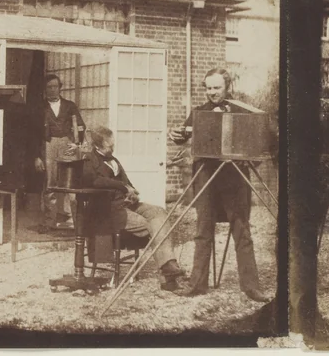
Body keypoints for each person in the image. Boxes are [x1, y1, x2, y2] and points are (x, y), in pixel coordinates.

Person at [168, 68, 270, 302]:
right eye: (208, 87)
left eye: (217, 87)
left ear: (227, 87)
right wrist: (177, 135)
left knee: (242, 230)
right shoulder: (199, 112)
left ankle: (251, 287)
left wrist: (247, 162)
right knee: (203, 230)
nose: (212, 92)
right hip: (205, 176)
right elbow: (184, 135)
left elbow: (261, 141)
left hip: (234, 179)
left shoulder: (243, 111)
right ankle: (197, 284)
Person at [82, 126, 186, 291]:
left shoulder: (114, 161)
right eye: (109, 146)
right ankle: (167, 275)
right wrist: (123, 187)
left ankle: (168, 266)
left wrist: (133, 192)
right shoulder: (89, 160)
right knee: (150, 225)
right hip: (108, 211)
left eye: (113, 145)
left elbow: (127, 183)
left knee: (159, 212)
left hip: (127, 204)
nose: (113, 148)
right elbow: (95, 181)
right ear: (98, 146)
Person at [34, 74, 85, 229]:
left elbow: (80, 126)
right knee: (50, 183)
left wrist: (77, 144)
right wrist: (37, 156)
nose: (52, 90)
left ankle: (74, 221)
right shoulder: (39, 107)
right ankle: (50, 221)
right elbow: (34, 133)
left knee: (71, 183)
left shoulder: (70, 106)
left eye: (55, 86)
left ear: (60, 87)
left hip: (67, 144)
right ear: (45, 89)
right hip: (48, 145)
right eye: (49, 87)